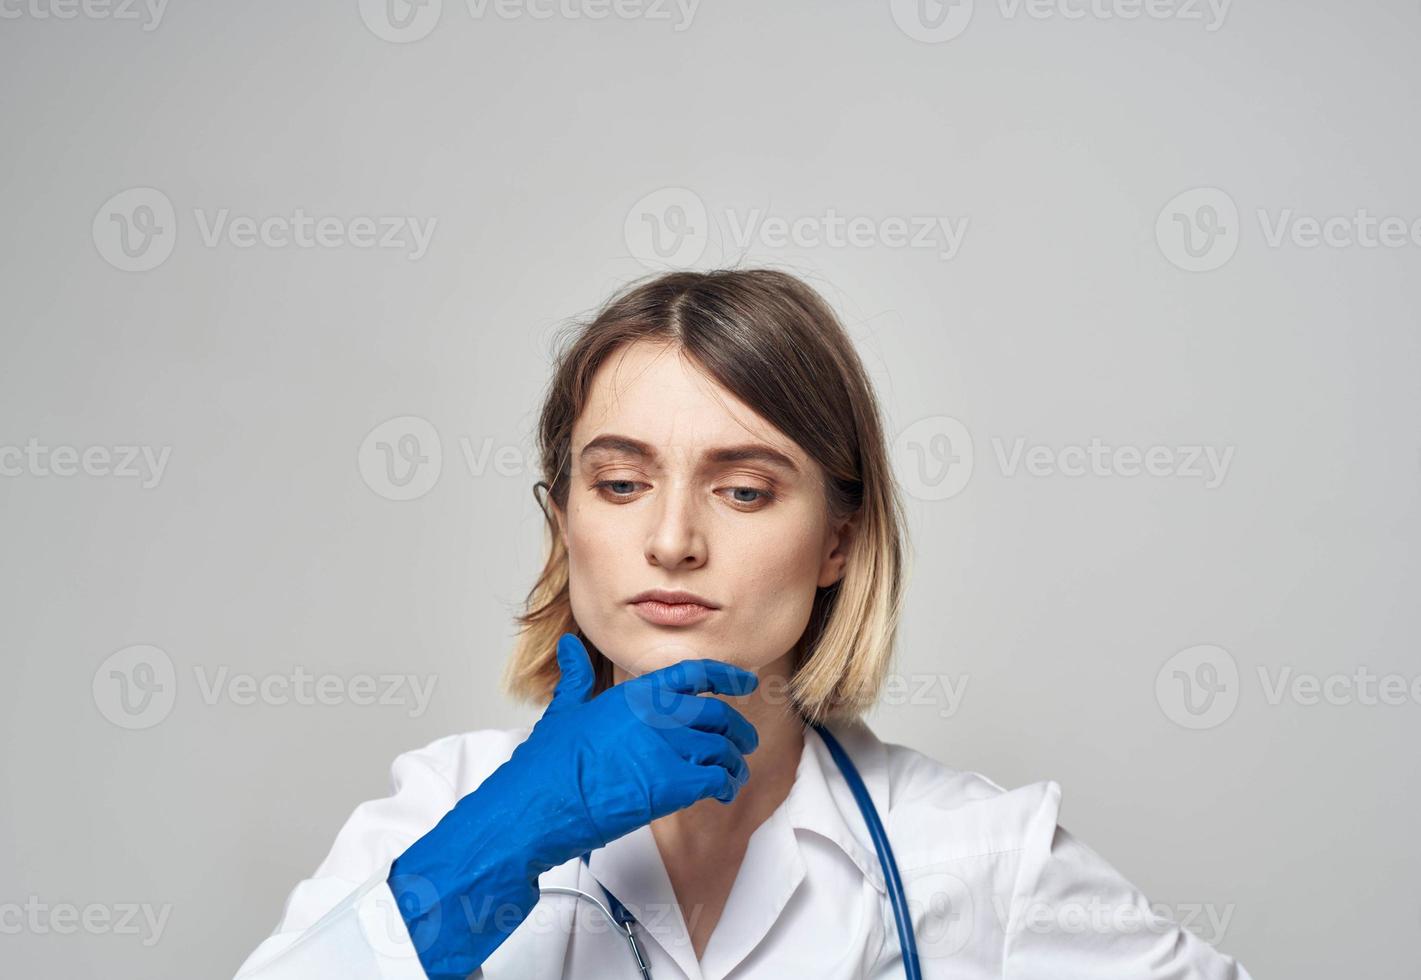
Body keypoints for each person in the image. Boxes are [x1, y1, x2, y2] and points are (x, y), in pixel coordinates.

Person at [233, 269, 1254, 979]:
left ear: (839, 540)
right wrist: (497, 846)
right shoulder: (440, 812)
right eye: (621, 482)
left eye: (746, 491)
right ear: (562, 520)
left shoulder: (978, 858)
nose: (671, 538)